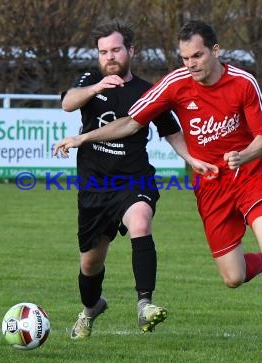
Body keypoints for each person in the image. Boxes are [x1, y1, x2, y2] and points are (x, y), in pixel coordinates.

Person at [54, 20, 262, 351]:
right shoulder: (174, 84)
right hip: (209, 186)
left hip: (249, 176)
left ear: (215, 51)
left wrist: (242, 155)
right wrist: (83, 137)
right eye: (185, 58)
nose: (191, 64)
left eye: (197, 56)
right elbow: (130, 122)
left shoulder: (243, 82)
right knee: (233, 277)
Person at [58, 21, 196, 339]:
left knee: (140, 221)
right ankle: (91, 308)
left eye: (116, 50)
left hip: (134, 181)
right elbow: (67, 103)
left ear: (131, 51)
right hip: (94, 187)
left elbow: (172, 131)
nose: (110, 56)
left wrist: (192, 160)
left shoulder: (148, 92)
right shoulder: (90, 81)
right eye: (103, 51)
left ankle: (144, 305)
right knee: (90, 265)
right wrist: (95, 88)